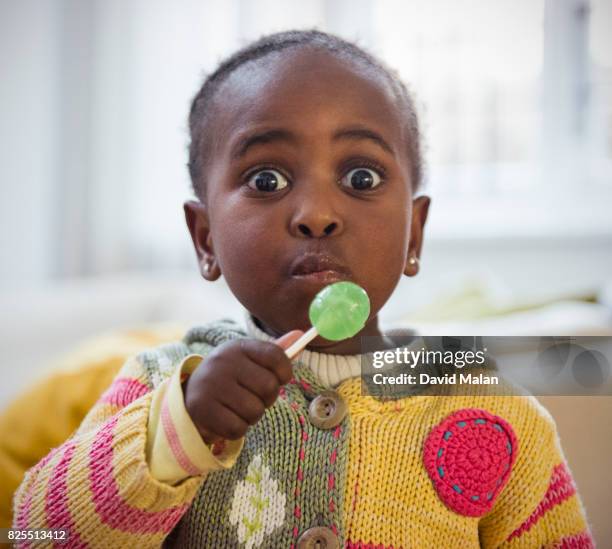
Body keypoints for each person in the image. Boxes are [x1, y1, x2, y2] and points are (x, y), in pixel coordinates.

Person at [13, 30, 593, 548]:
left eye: (360, 177)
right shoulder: (158, 385)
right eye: (267, 179)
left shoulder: (494, 407)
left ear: (414, 233)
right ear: (205, 238)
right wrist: (179, 433)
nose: (317, 213)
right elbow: (33, 531)